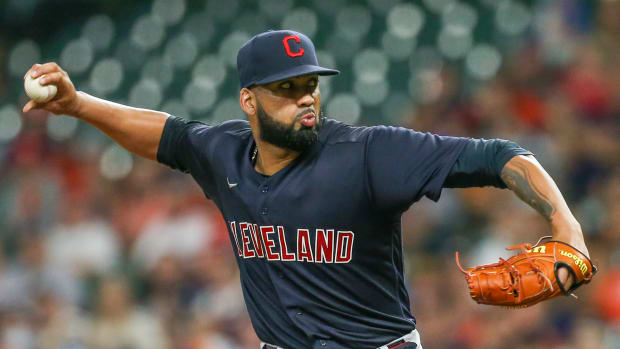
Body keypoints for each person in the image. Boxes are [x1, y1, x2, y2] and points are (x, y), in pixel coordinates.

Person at [22, 30, 590, 349]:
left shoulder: (368, 153)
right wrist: (78, 105)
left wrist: (566, 226)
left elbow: (500, 156)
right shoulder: (223, 153)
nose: (306, 98)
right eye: (286, 89)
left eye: (310, 86)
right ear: (249, 101)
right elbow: (164, 135)